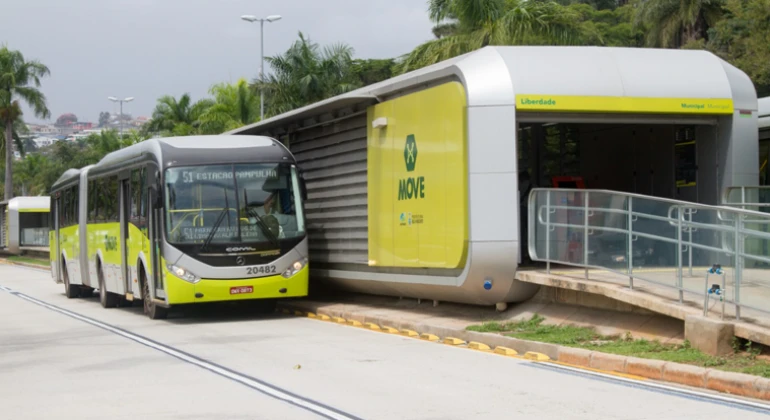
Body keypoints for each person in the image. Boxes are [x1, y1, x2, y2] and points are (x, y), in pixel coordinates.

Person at [519, 170, 534, 265]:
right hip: (532, 211)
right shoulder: (534, 186)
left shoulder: (521, 186)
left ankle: (522, 256)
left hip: (523, 210)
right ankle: (531, 256)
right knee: (531, 233)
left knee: (522, 234)